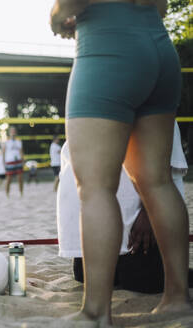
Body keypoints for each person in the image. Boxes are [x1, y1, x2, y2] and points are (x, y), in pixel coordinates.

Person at [51, 0, 191, 324]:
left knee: (96, 188)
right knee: (158, 181)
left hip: (106, 50)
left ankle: (97, 312)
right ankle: (178, 298)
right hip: (158, 47)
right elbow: (162, 9)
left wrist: (58, 18)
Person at [58, 123, 193, 293]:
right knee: (82, 276)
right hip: (98, 220)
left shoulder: (149, 102)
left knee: (140, 281)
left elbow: (162, 162)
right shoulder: (88, 102)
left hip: (137, 217)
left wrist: (148, 211)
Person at [2, 126, 24, 197]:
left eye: (14, 131)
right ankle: (7, 194)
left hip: (18, 161)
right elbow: (4, 153)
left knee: (20, 178)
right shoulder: (6, 142)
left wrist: (23, 161)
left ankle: (21, 193)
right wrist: (3, 162)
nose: (13, 132)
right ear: (9, 133)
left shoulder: (19, 141)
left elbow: (21, 152)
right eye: (12, 131)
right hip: (10, 161)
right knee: (8, 179)